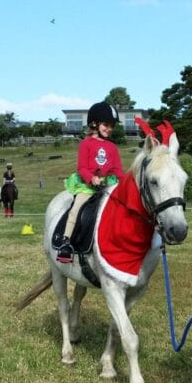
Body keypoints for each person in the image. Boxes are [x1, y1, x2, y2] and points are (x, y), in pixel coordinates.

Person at [56, 102, 123, 263]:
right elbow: (82, 168)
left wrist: (126, 181)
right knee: (76, 209)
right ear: (94, 123)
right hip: (87, 187)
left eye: (112, 126)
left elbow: (117, 170)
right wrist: (92, 178)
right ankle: (66, 242)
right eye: (106, 125)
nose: (109, 129)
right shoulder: (86, 144)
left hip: (107, 186)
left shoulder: (112, 147)